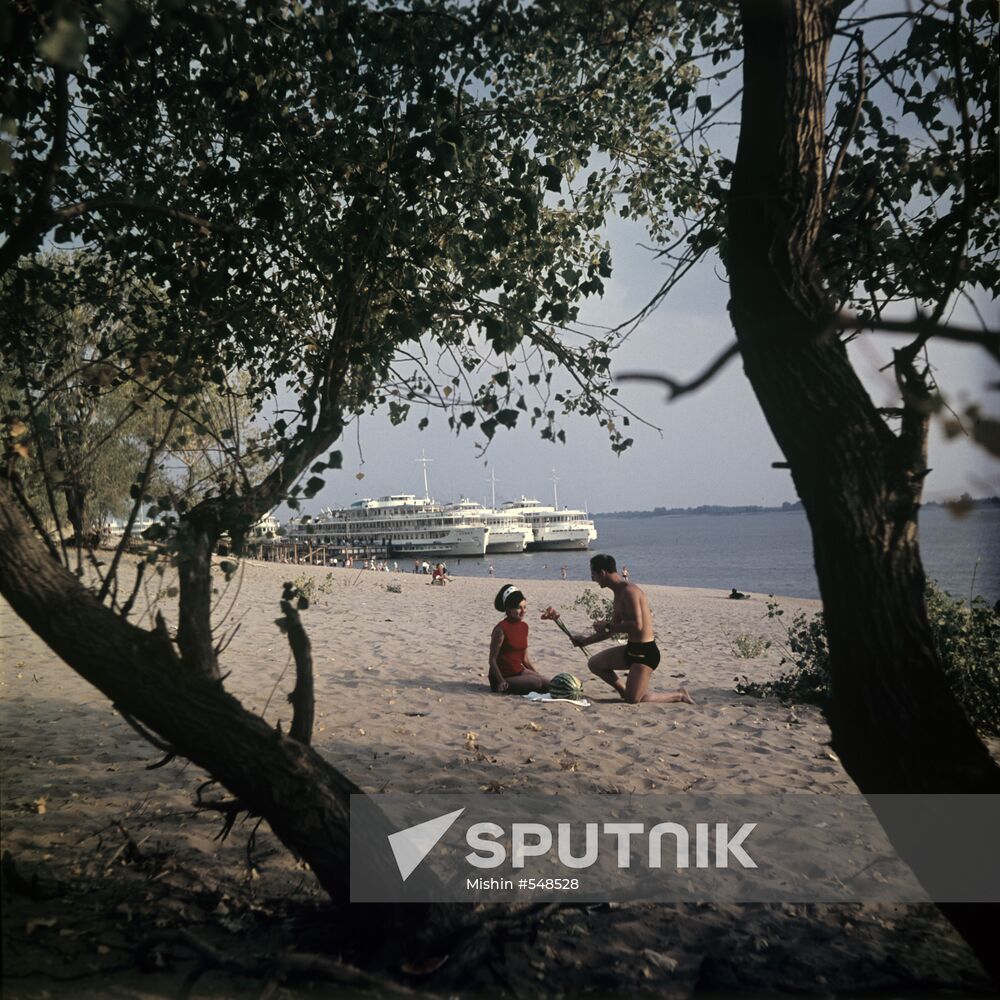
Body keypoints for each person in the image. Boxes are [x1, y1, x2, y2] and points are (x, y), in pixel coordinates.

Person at [572, 554, 693, 705]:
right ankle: (624, 691)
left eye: (593, 574)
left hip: (645, 653)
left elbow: (637, 625)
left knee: (634, 700)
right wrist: (584, 641)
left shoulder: (630, 591)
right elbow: (612, 631)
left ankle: (679, 695)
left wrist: (607, 625)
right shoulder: (617, 594)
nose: (592, 579)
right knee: (594, 664)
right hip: (631, 650)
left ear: (602, 573)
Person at [488, 585, 550, 694]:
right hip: (502, 677)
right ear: (508, 609)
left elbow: (525, 659)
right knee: (536, 683)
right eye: (519, 608)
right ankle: (504, 687)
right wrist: (501, 681)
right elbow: (492, 660)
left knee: (547, 683)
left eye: (525, 607)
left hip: (518, 671)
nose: (523, 611)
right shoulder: (501, 629)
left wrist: (538, 674)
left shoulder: (524, 627)